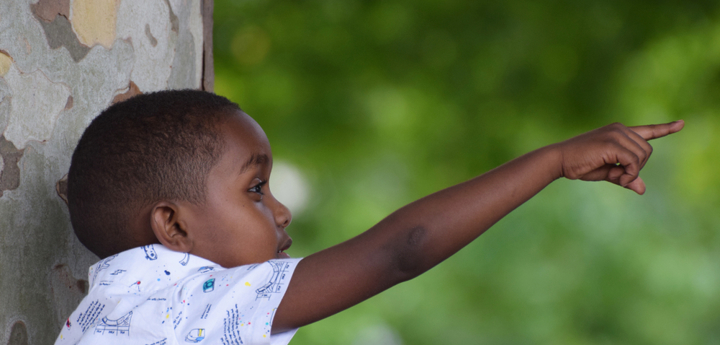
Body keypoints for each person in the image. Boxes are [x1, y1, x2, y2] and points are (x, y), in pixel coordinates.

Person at [55, 90, 684, 344]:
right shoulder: (180, 305)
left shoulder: (101, 317)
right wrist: (552, 161)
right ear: (174, 228)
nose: (280, 209)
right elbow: (399, 251)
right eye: (255, 189)